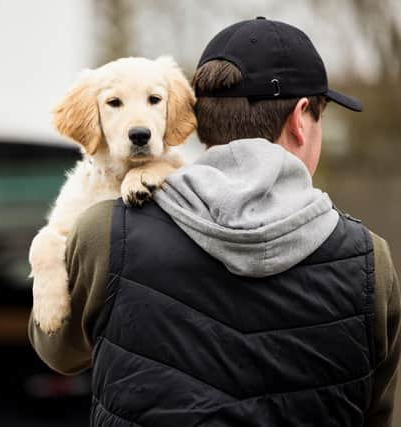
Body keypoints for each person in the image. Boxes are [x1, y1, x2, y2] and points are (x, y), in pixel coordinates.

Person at [28, 17, 400, 426]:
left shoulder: (103, 232)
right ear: (300, 118)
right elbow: (376, 413)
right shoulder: (370, 260)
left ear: (196, 120)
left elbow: (59, 352)